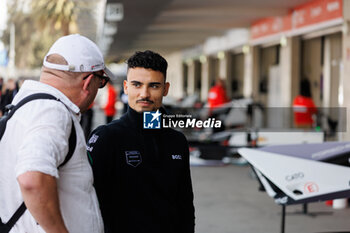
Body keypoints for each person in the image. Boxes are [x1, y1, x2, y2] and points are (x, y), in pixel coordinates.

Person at [0, 34, 113, 233]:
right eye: (101, 81)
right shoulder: (52, 112)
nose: (99, 88)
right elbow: (32, 179)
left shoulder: (25, 107)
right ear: (87, 82)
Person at [87, 50, 195, 233]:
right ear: (126, 87)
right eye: (137, 85)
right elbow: (86, 202)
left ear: (165, 89)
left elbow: (185, 204)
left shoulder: (177, 141)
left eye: (153, 86)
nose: (144, 94)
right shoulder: (106, 138)